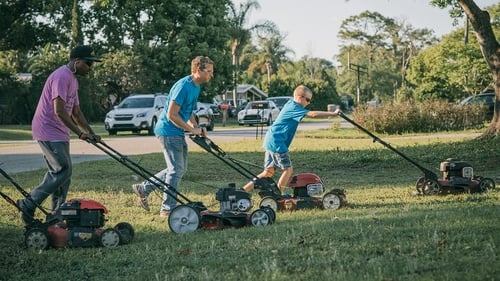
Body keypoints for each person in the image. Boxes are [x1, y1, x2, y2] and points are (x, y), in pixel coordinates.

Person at [17, 45, 102, 226]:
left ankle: (55, 217)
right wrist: (80, 134)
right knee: (62, 170)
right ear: (77, 61)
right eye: (88, 64)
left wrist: (91, 134)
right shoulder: (61, 76)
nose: (90, 68)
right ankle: (28, 204)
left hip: (59, 132)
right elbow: (59, 111)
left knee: (63, 176)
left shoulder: (73, 80)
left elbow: (76, 113)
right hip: (48, 129)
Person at [132, 56, 214, 217]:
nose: (211, 75)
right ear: (199, 70)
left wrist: (196, 127)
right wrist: (190, 129)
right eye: (209, 71)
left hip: (176, 131)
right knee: (176, 170)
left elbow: (188, 110)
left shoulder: (196, 87)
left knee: (177, 169)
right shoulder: (183, 86)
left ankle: (144, 188)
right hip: (168, 131)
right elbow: (171, 115)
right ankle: (167, 208)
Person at [242, 85, 341, 194]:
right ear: (300, 97)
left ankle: (243, 190)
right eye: (307, 100)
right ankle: (279, 195)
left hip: (271, 139)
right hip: (277, 142)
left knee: (267, 172)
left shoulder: (290, 104)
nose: (308, 103)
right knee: (288, 169)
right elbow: (312, 114)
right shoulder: (294, 107)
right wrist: (333, 114)